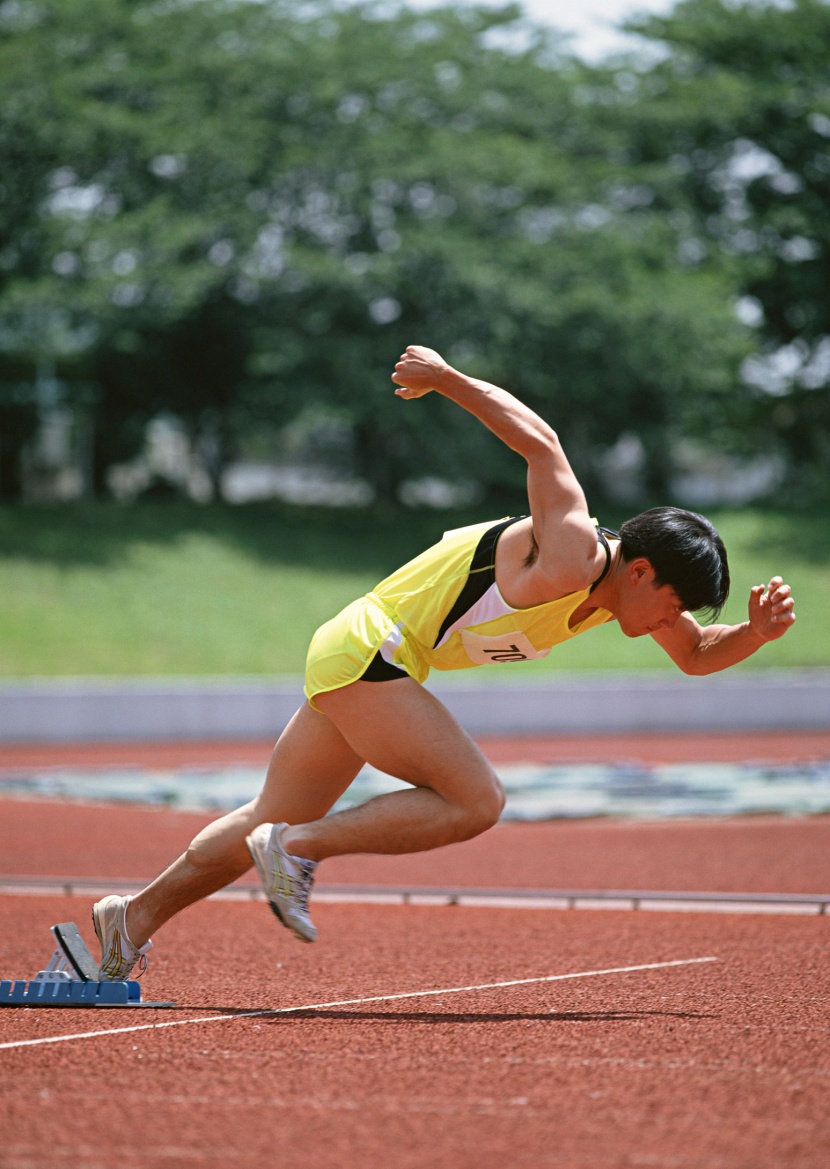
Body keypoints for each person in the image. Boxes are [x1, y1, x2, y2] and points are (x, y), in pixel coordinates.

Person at [91, 345, 797, 978]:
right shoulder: (576, 550)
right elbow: (544, 445)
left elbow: (698, 655)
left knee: (266, 814)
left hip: (362, 655)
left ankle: (133, 917)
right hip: (373, 648)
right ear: (641, 571)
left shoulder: (621, 599)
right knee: (475, 799)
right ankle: (299, 846)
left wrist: (756, 636)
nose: (672, 625)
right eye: (674, 606)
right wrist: (449, 379)